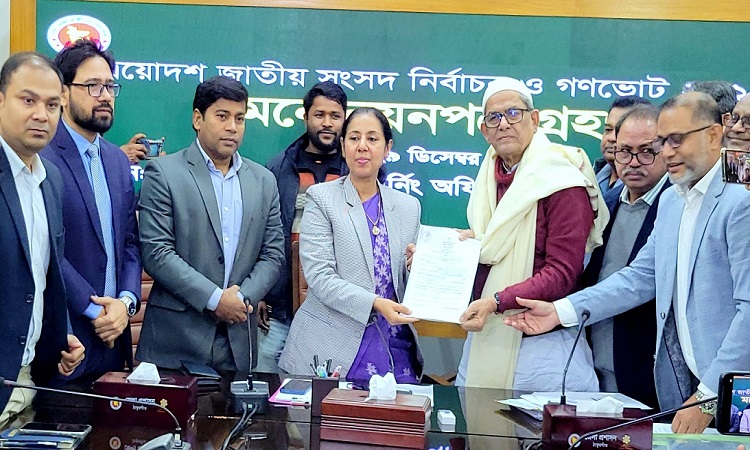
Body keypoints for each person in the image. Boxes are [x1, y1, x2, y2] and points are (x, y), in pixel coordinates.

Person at [504, 92, 750, 434]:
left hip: (730, 391)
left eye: (677, 140)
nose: (667, 152)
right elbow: (639, 277)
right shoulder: (672, 200)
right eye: (662, 142)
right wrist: (560, 311)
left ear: (713, 134)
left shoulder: (741, 198)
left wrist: (708, 397)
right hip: (684, 385)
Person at [455, 77, 608, 390]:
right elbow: (490, 248)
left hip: (543, 346)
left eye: (514, 113)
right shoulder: (487, 179)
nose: (503, 124)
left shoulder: (562, 179)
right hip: (485, 339)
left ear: (534, 119)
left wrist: (497, 301)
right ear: (484, 130)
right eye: (493, 118)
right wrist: (442, 256)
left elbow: (562, 273)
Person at [137, 76, 284, 378]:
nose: (232, 127)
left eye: (239, 118)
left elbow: (273, 255)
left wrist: (240, 299)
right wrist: (216, 299)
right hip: (175, 345)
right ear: (197, 119)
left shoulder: (263, 181)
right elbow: (156, 253)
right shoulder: (164, 172)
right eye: (222, 116)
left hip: (238, 343)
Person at [278, 107, 422, 386]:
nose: (362, 146)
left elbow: (405, 281)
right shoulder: (321, 198)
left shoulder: (408, 207)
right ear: (343, 146)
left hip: (395, 341)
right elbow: (321, 278)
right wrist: (375, 303)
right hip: (333, 345)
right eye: (354, 138)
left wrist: (416, 267)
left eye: (372, 138)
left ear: (387, 148)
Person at [41, 39, 141, 381]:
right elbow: (47, 248)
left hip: (114, 341)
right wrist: (93, 309)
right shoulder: (43, 157)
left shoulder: (117, 160)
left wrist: (125, 304)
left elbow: (129, 243)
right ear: (63, 93)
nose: (105, 96)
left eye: (110, 86)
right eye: (93, 86)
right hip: (65, 343)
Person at [0, 52, 85, 426]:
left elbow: (42, 276)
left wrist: (60, 334)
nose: (41, 115)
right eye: (28, 100)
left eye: (52, 105)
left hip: (27, 385)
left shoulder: (51, 178)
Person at [578, 105, 669, 409]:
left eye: (647, 152)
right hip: (594, 372)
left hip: (650, 380)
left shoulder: (677, 207)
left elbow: (638, 283)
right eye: (624, 152)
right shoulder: (606, 204)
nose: (633, 162)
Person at [259, 81, 348, 373]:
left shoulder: (357, 171)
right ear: (306, 116)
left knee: (331, 395)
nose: (327, 123)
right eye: (319, 115)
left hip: (339, 314)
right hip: (280, 311)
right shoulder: (278, 168)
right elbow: (262, 234)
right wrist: (259, 292)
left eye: (335, 116)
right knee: (268, 388)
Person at [595, 96, 650, 195]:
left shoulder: (646, 185)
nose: (611, 138)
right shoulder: (590, 176)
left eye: (619, 131)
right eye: (608, 130)